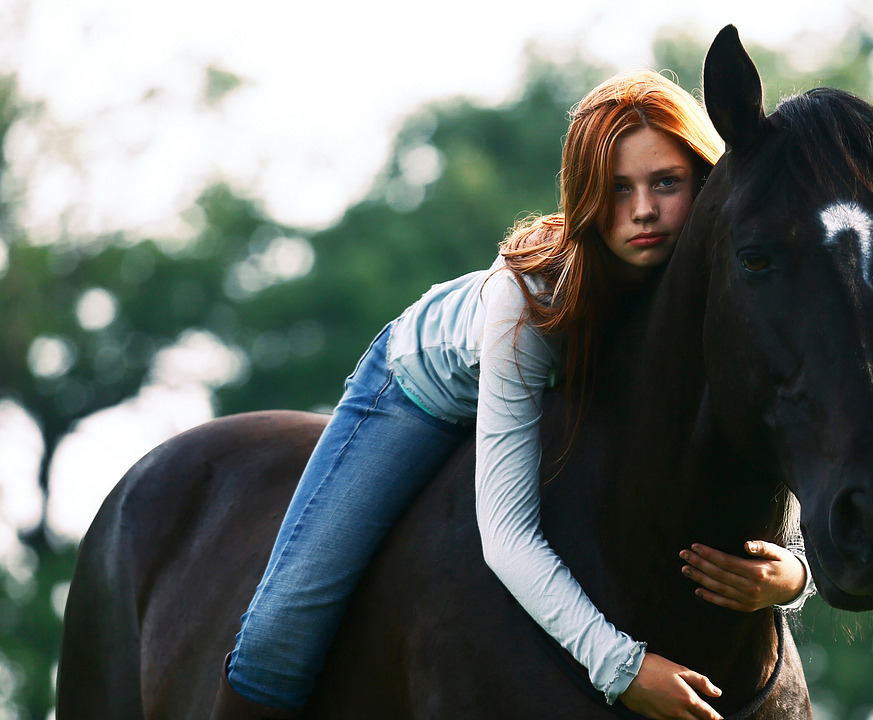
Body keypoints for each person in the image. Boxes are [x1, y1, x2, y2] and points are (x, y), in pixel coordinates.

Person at [213, 70, 815, 720]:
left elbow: (777, 419)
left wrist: (794, 575)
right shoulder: (531, 299)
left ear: (703, 180)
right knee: (282, 627)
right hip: (420, 389)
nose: (643, 210)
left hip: (550, 402)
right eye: (616, 190)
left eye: (664, 183)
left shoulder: (724, 281)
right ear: (586, 195)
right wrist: (622, 667)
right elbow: (504, 534)